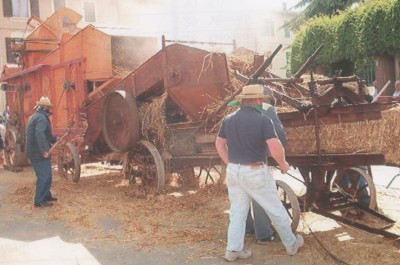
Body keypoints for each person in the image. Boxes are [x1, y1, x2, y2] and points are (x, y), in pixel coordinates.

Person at [215, 84, 304, 262]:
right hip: (255, 171)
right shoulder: (263, 119)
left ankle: (233, 250)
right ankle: (291, 243)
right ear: (257, 100)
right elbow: (275, 146)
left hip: (234, 171)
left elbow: (219, 143)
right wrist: (283, 164)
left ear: (243, 101)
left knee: (237, 212)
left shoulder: (229, 119)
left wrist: (229, 163)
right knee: (275, 209)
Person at [245, 86, 288, 244]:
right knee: (260, 195)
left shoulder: (238, 114)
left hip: (238, 161)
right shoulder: (267, 109)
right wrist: (282, 158)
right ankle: (263, 234)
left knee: (243, 197)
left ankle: (247, 227)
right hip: (257, 159)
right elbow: (278, 135)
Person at [25, 96, 58, 207]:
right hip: (37, 152)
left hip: (35, 150)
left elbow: (45, 134)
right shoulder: (42, 118)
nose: (49, 109)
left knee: (47, 174)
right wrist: (44, 149)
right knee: (44, 176)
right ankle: (39, 201)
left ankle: (46, 195)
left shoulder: (36, 116)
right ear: (44, 107)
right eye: (48, 107)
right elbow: (39, 134)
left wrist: (55, 139)